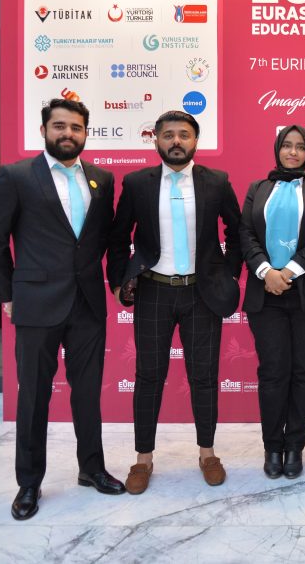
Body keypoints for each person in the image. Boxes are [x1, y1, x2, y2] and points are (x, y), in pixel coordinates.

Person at [0, 98, 124, 521]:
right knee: (34, 396)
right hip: (36, 304)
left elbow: (107, 239)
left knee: (88, 394)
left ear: (86, 133)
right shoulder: (17, 176)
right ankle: (29, 482)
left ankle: (91, 468)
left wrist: (119, 280)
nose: (68, 133)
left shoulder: (102, 179)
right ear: (43, 130)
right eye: (59, 126)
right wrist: (8, 295)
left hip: (88, 304)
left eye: (76, 127)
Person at [106, 110, 242, 495]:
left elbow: (237, 230)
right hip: (154, 291)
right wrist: (118, 281)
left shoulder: (217, 181)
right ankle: (143, 459)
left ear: (195, 140)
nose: (176, 141)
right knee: (149, 376)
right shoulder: (137, 183)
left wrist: (229, 274)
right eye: (168, 135)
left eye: (184, 134)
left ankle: (208, 454)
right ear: (156, 140)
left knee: (204, 376)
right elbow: (118, 237)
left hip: (202, 293)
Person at [240, 125, 305, 479]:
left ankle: (295, 446)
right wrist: (267, 272)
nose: (293, 152)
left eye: (300, 147)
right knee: (273, 372)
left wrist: (290, 271)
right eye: (287, 146)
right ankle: (272, 447)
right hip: (266, 294)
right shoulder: (258, 189)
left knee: (304, 372)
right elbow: (245, 233)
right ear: (277, 149)